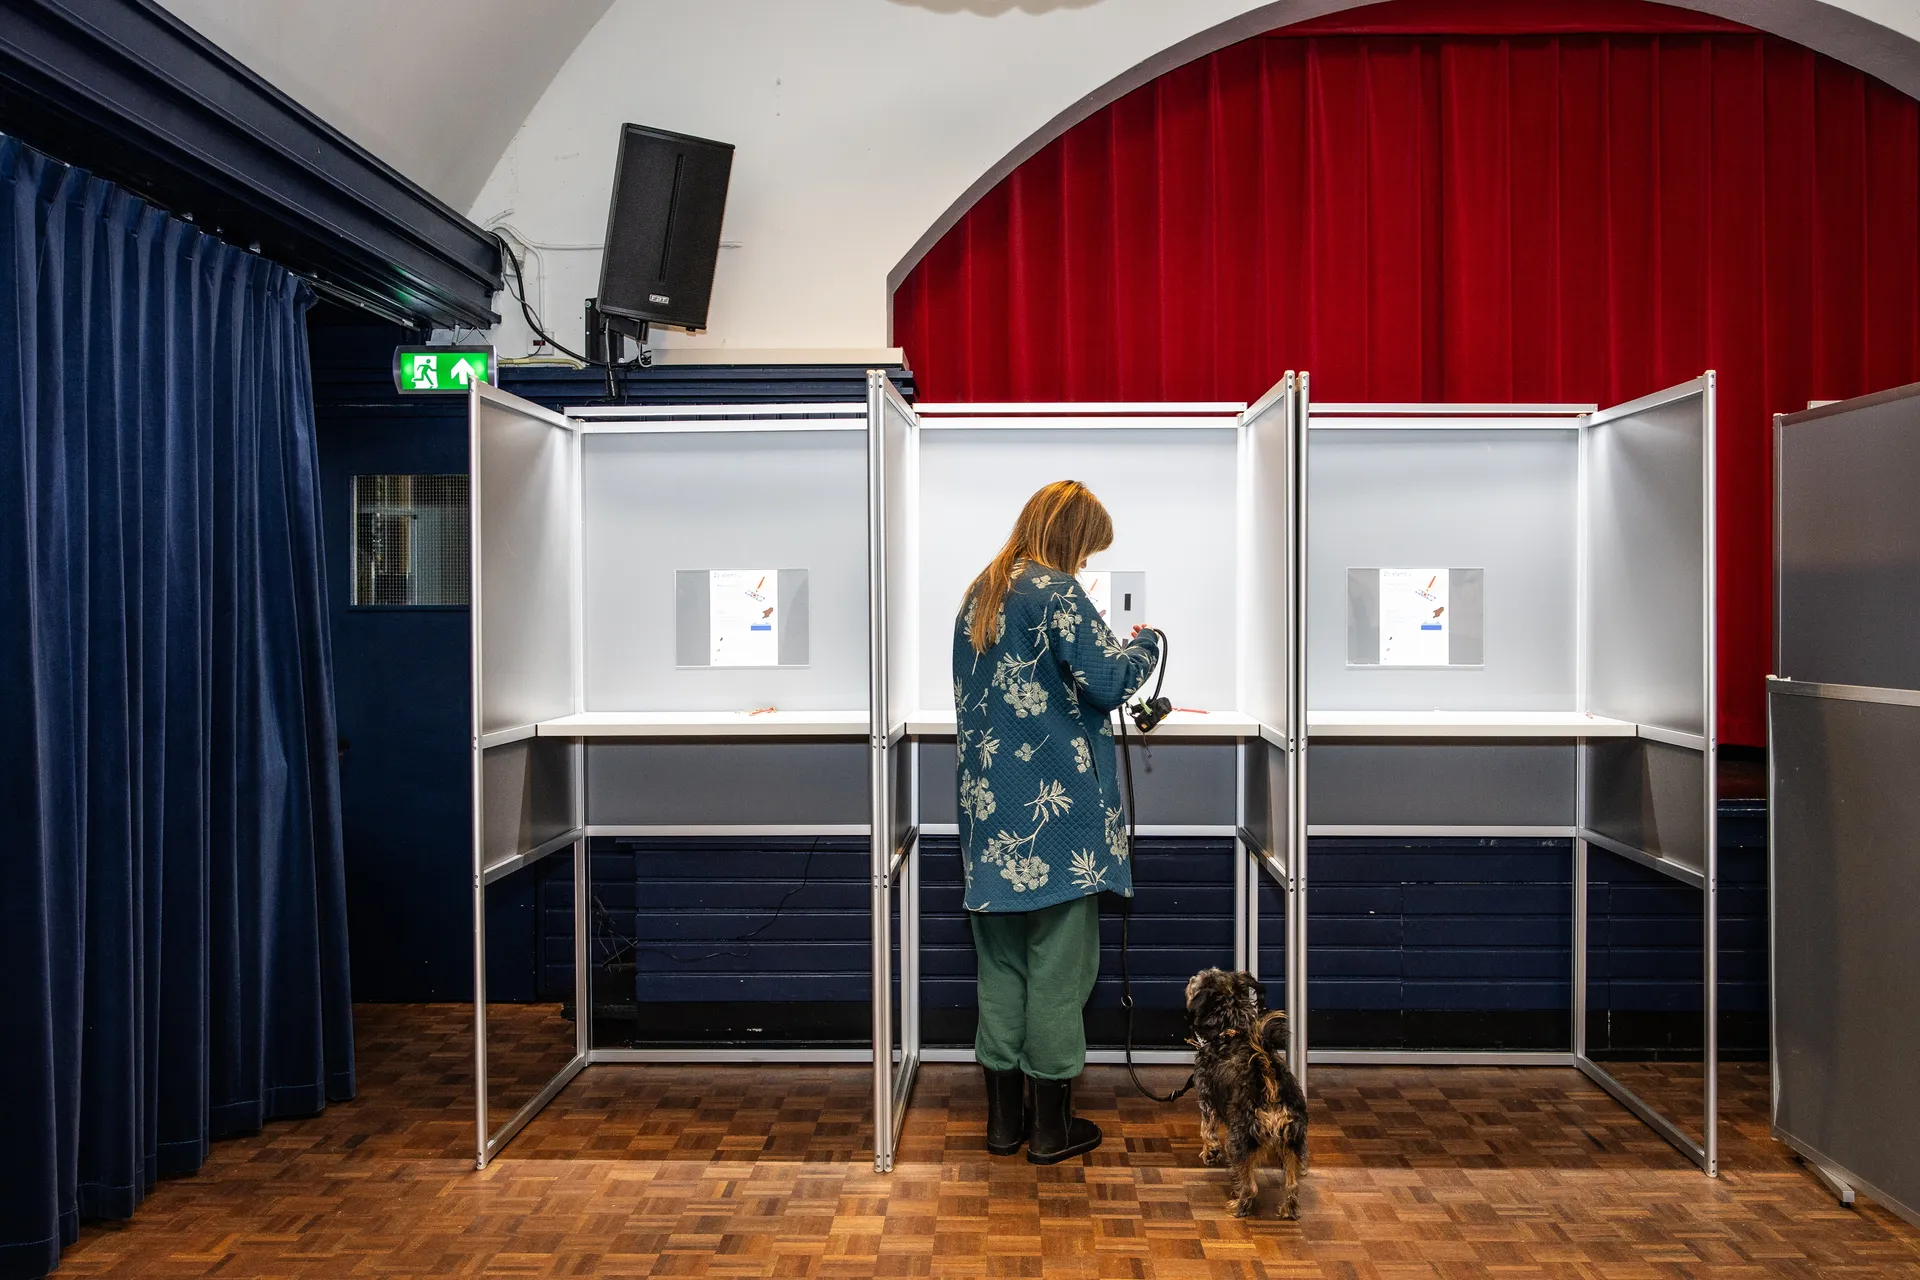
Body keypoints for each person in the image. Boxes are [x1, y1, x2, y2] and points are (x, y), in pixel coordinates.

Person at [952, 479, 1161, 1163]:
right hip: (1058, 823)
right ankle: (1050, 1130)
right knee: (1059, 971)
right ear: (1072, 538)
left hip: (991, 819)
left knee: (1002, 968)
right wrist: (1148, 645)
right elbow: (1106, 684)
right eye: (1087, 551)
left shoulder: (979, 592)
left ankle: (1003, 1126)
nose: (1086, 566)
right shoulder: (1056, 590)